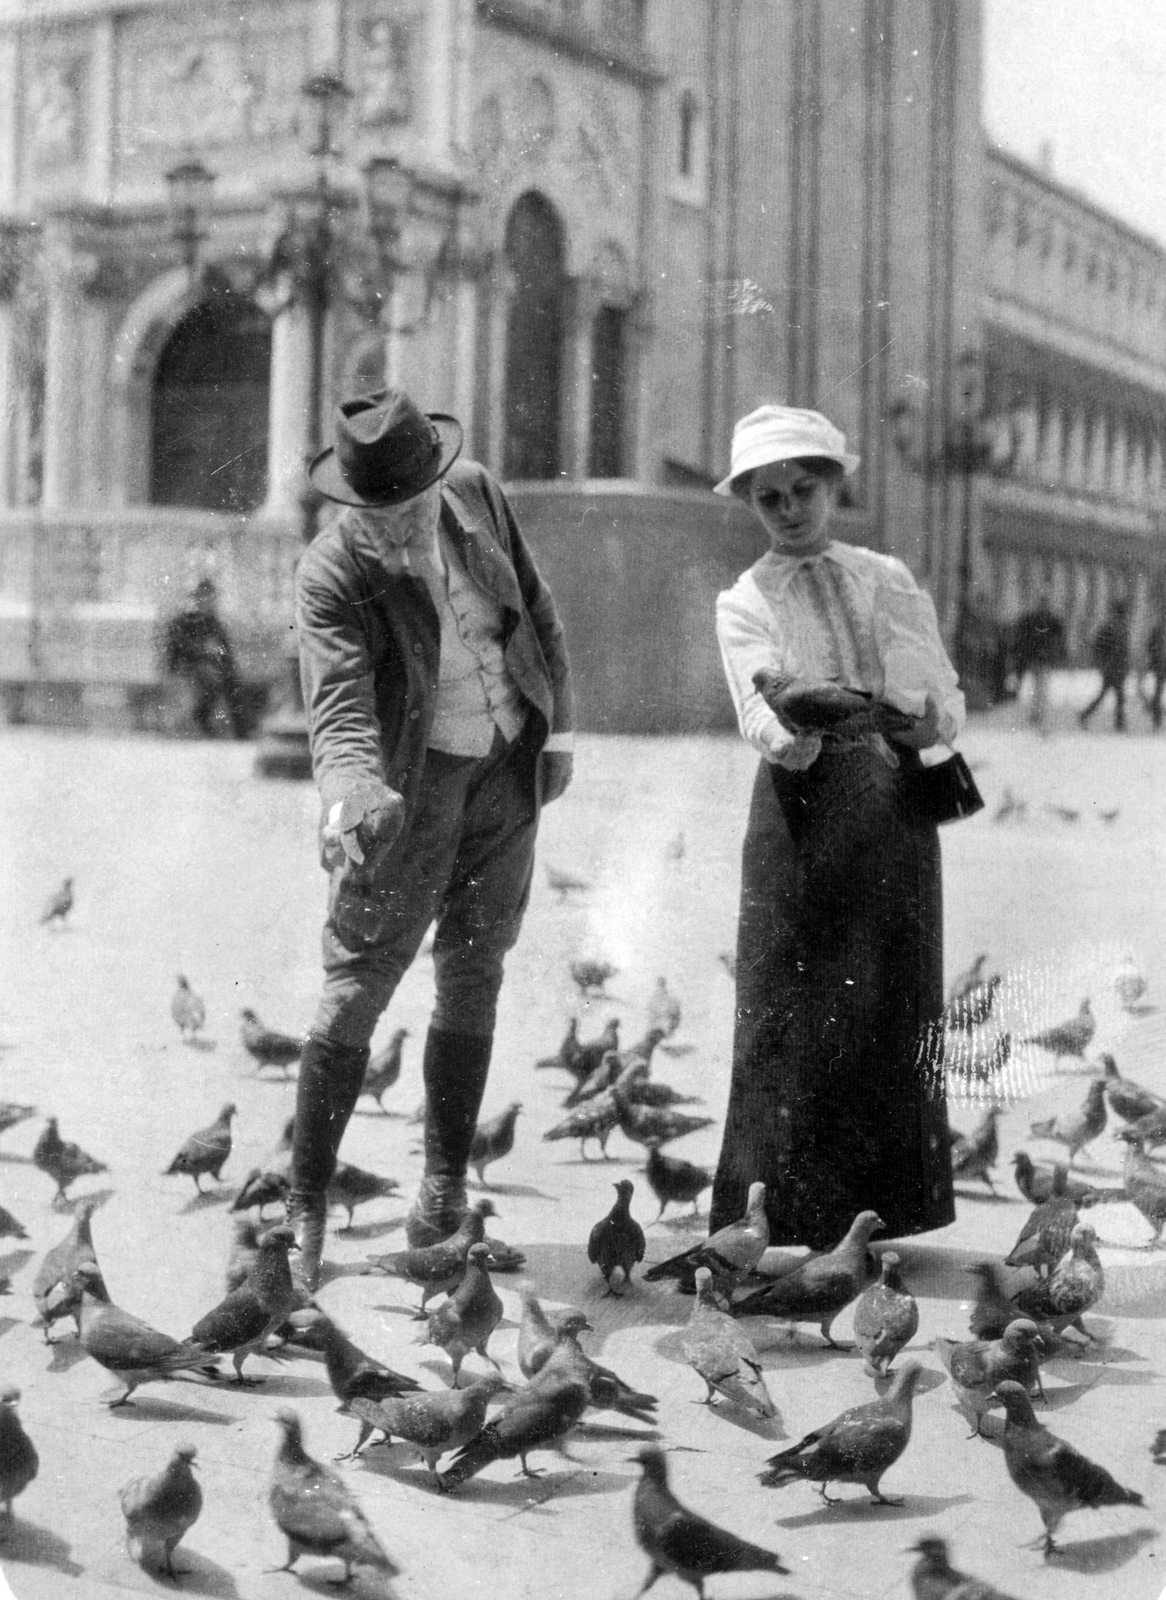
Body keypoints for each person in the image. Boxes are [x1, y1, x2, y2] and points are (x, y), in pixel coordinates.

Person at [289, 387, 575, 1287]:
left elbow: (535, 609)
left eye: (414, 505)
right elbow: (337, 709)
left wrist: (556, 729)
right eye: (380, 512)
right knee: (357, 985)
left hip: (505, 769)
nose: (403, 525)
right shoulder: (332, 574)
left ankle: (443, 1191)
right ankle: (304, 1213)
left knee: (476, 970)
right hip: (405, 794)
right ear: (350, 503)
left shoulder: (478, 494)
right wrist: (350, 801)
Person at [708, 404, 966, 1249]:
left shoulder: (884, 575)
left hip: (891, 807)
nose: (788, 508)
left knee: (886, 1002)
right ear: (750, 502)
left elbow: (936, 695)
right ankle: (782, 1212)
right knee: (790, 1004)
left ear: (834, 484)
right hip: (797, 813)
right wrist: (805, 714)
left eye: (803, 488)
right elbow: (762, 713)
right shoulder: (745, 599)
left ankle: (876, 1212)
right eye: (768, 496)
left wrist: (928, 719)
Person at [162, 577, 248, 737]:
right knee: (212, 679)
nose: (209, 601)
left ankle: (241, 729)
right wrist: (204, 650)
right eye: (205, 596)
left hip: (209, 666)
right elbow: (178, 648)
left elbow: (224, 649)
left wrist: (227, 665)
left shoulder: (212, 621)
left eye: (211, 597)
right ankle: (202, 718)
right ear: (198, 597)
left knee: (232, 680)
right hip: (187, 666)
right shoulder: (185, 619)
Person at [1012, 593, 1065, 733]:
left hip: (1041, 658)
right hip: (1039, 658)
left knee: (1040, 687)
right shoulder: (1042, 619)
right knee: (1040, 687)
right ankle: (1038, 713)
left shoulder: (1042, 619)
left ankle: (1037, 713)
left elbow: (1058, 638)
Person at [1078, 596, 1130, 731]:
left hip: (1114, 667)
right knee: (1118, 696)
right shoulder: (1116, 627)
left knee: (1107, 695)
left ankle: (1086, 714)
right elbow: (1102, 646)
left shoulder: (1114, 626)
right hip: (1114, 667)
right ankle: (1119, 723)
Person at [1142, 613, 1166, 731]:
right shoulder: (1158, 631)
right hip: (1161, 665)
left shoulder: (1158, 630)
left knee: (1158, 692)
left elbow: (1150, 647)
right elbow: (1151, 647)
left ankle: (1157, 719)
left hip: (1160, 665)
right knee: (1158, 692)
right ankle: (1157, 719)